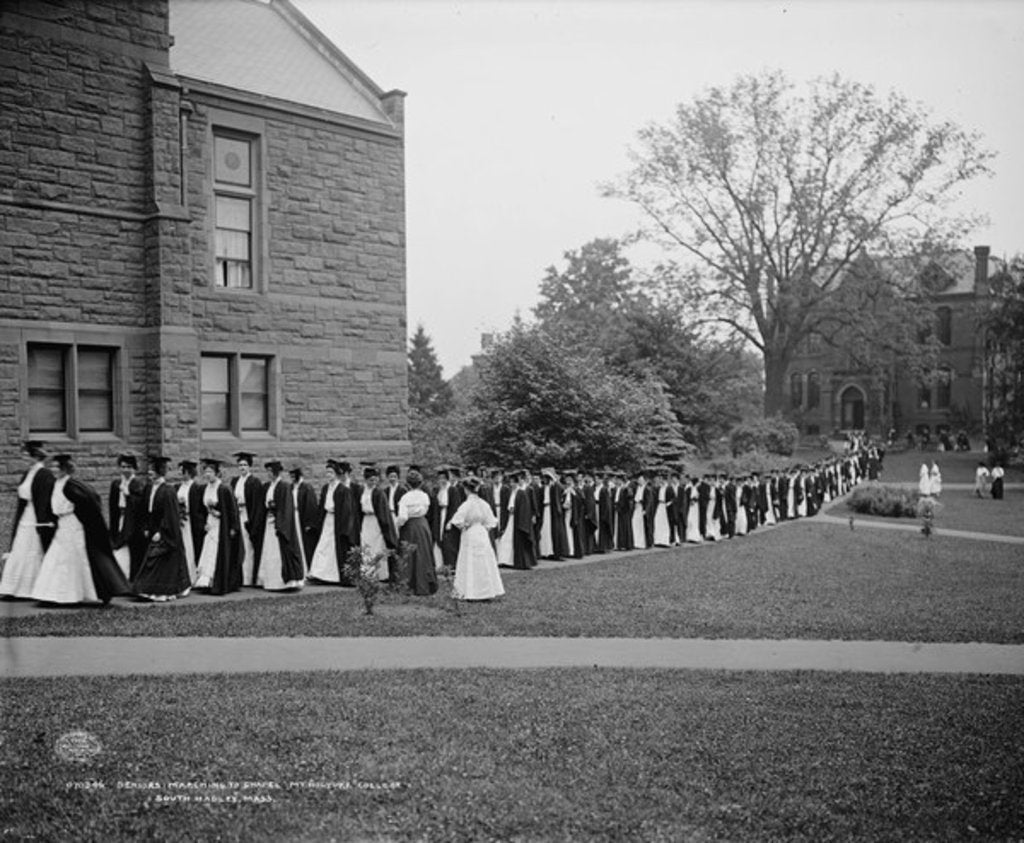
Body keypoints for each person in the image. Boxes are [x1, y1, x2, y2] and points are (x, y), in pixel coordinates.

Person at [31, 454, 131, 605]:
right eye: (53, 467)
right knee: (55, 558)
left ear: (65, 469)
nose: (54, 470)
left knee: (71, 558)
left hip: (73, 525)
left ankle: (75, 594)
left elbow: (90, 503)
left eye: (57, 467)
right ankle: (52, 594)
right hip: (62, 525)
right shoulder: (56, 484)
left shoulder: (71, 486)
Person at [131, 456, 191, 601]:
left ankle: (159, 590)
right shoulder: (149, 488)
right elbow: (145, 510)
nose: (150, 473)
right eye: (149, 470)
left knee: (158, 560)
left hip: (165, 532)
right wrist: (146, 527)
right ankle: (145, 588)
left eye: (152, 470)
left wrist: (161, 532)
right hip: (152, 528)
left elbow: (170, 516)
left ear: (159, 471)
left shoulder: (168, 491)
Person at [1, 440, 55, 599]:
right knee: (19, 547)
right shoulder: (28, 473)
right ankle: (13, 588)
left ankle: (31, 588)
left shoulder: (44, 474)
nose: (24, 457)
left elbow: (44, 501)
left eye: (26, 454)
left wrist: (43, 523)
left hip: (35, 517)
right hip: (25, 516)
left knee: (32, 549)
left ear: (35, 456)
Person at [448, 477, 505, 601]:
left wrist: (464, 525)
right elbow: (492, 521)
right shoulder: (484, 504)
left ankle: (471, 591)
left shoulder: (466, 505)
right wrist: (484, 528)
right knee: (484, 560)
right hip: (482, 532)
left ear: (466, 490)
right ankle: (486, 591)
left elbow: (456, 520)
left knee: (470, 560)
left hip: (471, 533)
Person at [193, 458, 243, 595]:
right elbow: (200, 510)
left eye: (210, 472)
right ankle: (206, 581)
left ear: (216, 473)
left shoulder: (224, 489)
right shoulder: (204, 488)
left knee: (217, 551)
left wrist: (233, 527)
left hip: (222, 525)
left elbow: (232, 510)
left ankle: (218, 581)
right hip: (210, 524)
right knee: (208, 550)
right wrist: (204, 522)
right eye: (206, 472)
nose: (208, 475)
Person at [256, 460, 304, 591]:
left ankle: (283, 582)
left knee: (279, 551)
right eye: (268, 472)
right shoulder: (268, 486)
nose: (268, 474)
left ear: (276, 473)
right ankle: (270, 580)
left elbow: (286, 508)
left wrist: (279, 523)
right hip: (269, 522)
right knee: (269, 550)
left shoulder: (284, 486)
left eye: (271, 472)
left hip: (280, 524)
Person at [394, 469, 437, 595]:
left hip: (410, 526)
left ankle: (409, 585)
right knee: (423, 553)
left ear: (408, 484)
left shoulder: (405, 498)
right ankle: (426, 585)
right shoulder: (424, 496)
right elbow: (426, 509)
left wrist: (397, 525)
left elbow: (402, 517)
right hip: (423, 525)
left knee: (409, 554)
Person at [108, 452, 149, 580]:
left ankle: (132, 577)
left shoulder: (138, 483)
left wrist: (128, 495)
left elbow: (142, 505)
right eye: (123, 466)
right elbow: (112, 505)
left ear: (134, 468)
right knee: (118, 545)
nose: (125, 470)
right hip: (120, 518)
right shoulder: (116, 484)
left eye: (129, 467)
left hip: (133, 522)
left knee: (133, 549)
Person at [359, 464, 398, 581]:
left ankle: (380, 573)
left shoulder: (379, 493)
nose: (373, 482)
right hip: (366, 521)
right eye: (371, 480)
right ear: (366, 480)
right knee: (366, 546)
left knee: (377, 546)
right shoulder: (362, 491)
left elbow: (383, 512)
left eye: (375, 480)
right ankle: (367, 572)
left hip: (376, 522)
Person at [231, 452, 265, 586]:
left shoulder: (254, 482)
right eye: (240, 465)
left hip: (247, 516)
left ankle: (247, 577)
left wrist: (252, 522)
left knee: (247, 546)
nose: (242, 467)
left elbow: (256, 504)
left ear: (249, 466)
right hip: (237, 514)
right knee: (237, 546)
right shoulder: (235, 481)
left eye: (245, 465)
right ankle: (237, 577)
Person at [176, 459, 205, 584]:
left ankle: (192, 575)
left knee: (191, 547)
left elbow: (200, 508)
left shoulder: (196, 488)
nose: (180, 474)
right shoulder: (177, 487)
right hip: (181, 522)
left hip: (192, 522)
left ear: (188, 472)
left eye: (182, 471)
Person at [289, 466, 320, 574]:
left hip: (302, 519)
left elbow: (310, 506)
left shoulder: (306, 487)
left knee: (304, 543)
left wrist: (309, 523)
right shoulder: (291, 487)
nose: (292, 478)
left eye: (294, 476)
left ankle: (306, 569)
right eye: (291, 476)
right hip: (292, 517)